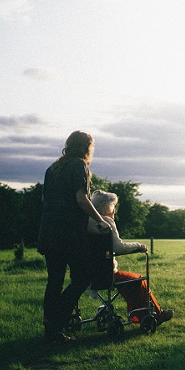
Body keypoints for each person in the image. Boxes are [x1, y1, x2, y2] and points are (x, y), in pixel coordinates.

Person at [38, 131, 112, 343]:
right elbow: (81, 198)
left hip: (49, 231)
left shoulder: (52, 168)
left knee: (55, 281)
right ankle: (55, 321)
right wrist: (100, 220)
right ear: (86, 147)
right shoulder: (79, 165)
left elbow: (45, 199)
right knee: (81, 279)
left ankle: (50, 330)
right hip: (69, 233)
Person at [87, 190, 173, 325]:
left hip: (87, 274)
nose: (114, 211)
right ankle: (156, 314)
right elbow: (119, 248)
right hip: (105, 274)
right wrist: (139, 246)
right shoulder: (106, 221)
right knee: (138, 280)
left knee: (129, 281)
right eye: (113, 207)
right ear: (106, 207)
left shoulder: (86, 222)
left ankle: (138, 316)